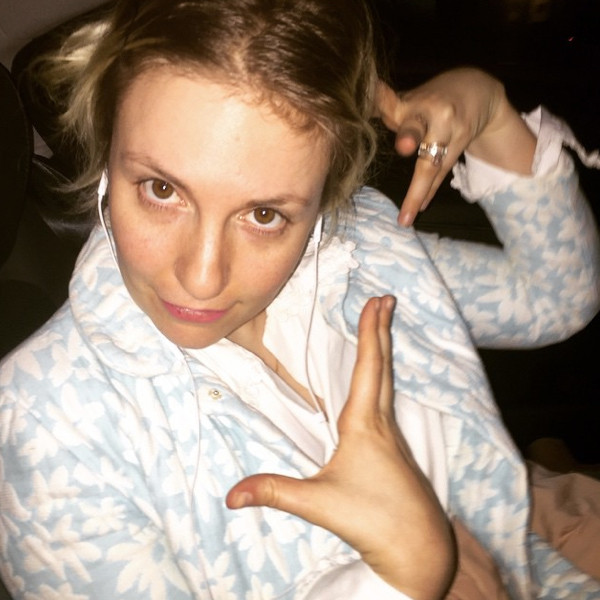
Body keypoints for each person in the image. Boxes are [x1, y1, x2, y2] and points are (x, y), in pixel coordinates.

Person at [1, 0, 599, 598]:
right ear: (107, 148)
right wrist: (403, 574)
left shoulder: (361, 252)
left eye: (265, 215)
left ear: (327, 193)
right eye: (161, 189)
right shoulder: (44, 425)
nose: (202, 277)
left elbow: (555, 298)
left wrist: (492, 114)